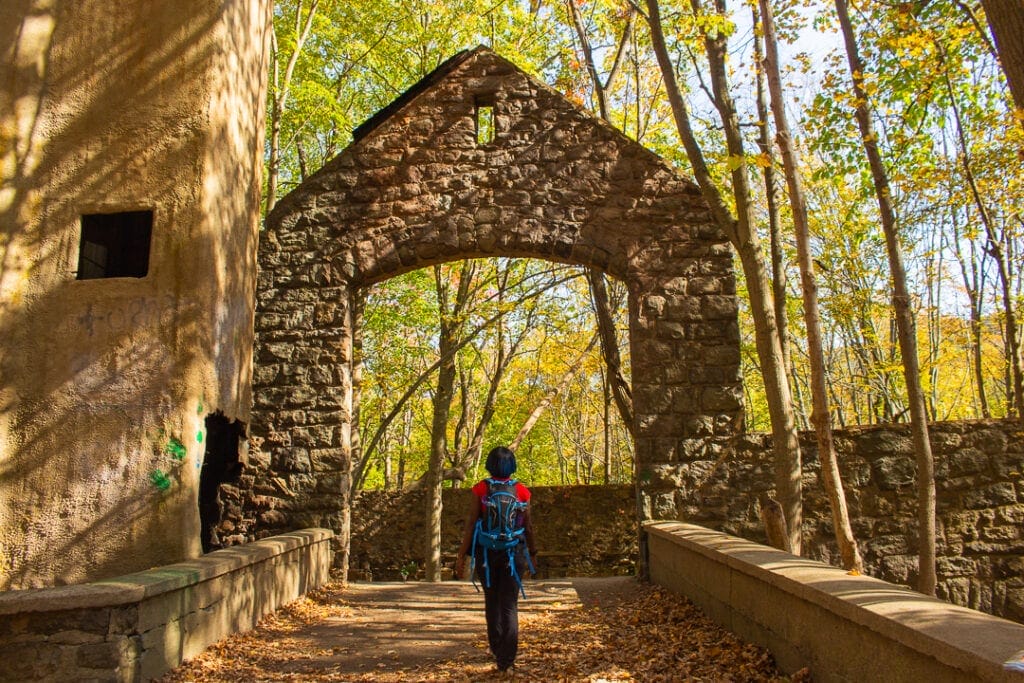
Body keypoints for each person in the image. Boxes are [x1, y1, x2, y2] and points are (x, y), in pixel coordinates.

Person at [455, 446, 537, 676]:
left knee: (492, 602)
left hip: (487, 554)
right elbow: (528, 527)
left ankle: (497, 647)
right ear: (512, 466)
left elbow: (471, 523)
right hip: (514, 553)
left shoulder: (481, 489)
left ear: (490, 465)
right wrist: (533, 552)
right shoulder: (522, 491)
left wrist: (461, 555)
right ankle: (507, 661)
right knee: (509, 605)